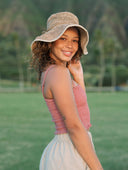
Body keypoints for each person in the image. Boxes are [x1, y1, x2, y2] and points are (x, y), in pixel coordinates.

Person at [31, 11, 103, 170]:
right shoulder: (58, 72)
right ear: (50, 42)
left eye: (75, 40)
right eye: (63, 38)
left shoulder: (55, 71)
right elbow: (74, 127)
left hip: (74, 148)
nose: (70, 45)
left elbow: (81, 113)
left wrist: (78, 77)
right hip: (69, 153)